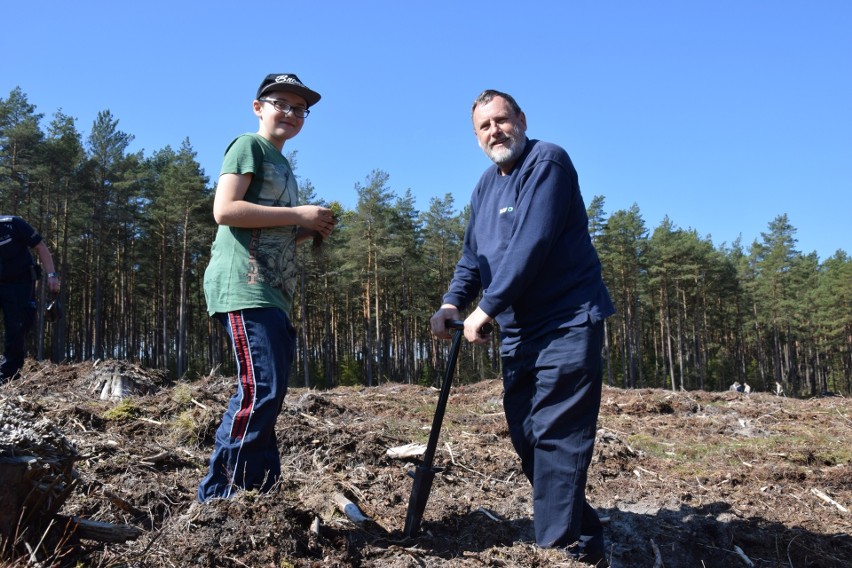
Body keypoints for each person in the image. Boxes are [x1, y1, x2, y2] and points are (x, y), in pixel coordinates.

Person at [429, 90, 614, 566]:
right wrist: (453, 302)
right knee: (527, 437)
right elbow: (475, 256)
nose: (495, 131)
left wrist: (485, 308)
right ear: (476, 137)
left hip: (567, 322)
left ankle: (554, 553)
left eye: (502, 120)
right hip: (519, 334)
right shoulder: (485, 187)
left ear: (521, 120)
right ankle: (586, 535)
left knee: (557, 435)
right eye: (484, 126)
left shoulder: (547, 163)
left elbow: (532, 242)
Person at [197, 73, 337, 502]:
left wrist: (309, 230)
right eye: (283, 104)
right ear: (258, 107)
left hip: (273, 291)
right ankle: (218, 498)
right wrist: (299, 214)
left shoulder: (284, 165)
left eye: (301, 109)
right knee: (259, 390)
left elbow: (267, 229)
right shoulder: (248, 146)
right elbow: (226, 210)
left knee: (269, 393)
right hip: (244, 285)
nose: (292, 114)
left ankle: (260, 495)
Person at [0, 215, 61, 382]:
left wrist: (52, 275)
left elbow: (40, 247)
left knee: (17, 326)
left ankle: (8, 375)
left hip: (19, 284)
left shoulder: (13, 224)